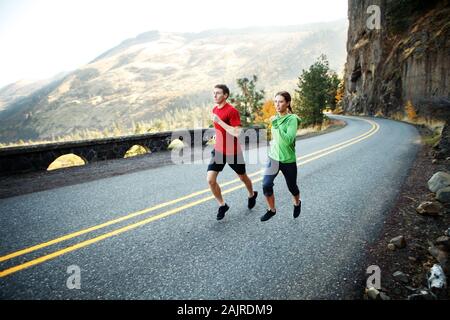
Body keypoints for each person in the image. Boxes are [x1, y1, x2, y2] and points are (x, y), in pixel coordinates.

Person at [207, 84, 258, 220]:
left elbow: (237, 132)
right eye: (214, 93)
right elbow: (219, 128)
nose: (215, 95)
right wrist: (216, 135)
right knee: (211, 180)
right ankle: (222, 205)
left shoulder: (232, 111)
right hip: (218, 151)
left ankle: (252, 194)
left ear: (225, 95)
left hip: (233, 152)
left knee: (242, 177)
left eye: (218, 93)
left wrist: (220, 122)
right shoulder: (214, 109)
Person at [260, 91, 302, 222]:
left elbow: (289, 139)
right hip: (273, 158)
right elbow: (276, 138)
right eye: (276, 102)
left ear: (288, 103)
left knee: (292, 187)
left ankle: (297, 203)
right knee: (266, 184)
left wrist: (276, 124)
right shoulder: (275, 118)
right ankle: (271, 210)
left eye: (281, 101)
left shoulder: (292, 119)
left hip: (288, 160)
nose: (277, 105)